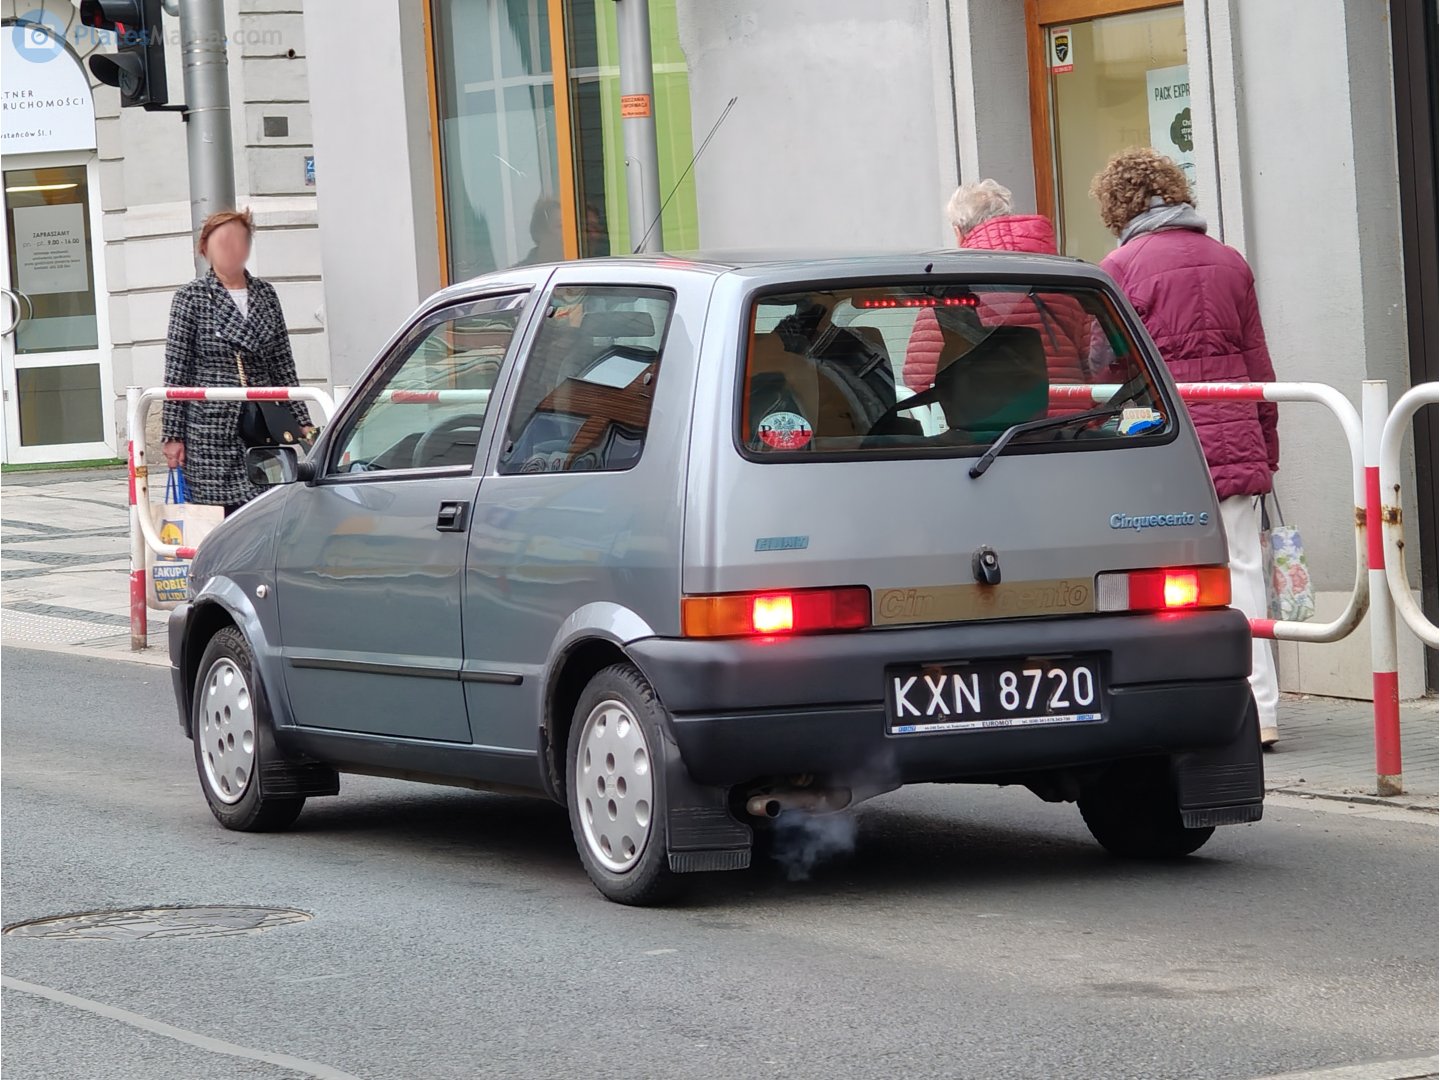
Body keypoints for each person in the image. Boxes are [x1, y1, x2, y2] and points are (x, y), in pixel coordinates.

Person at [1090, 147, 1281, 748]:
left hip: (1163, 444)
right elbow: (1258, 364)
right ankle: (1263, 709)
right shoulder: (1230, 261)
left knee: (1164, 575)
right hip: (1234, 429)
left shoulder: (1120, 267)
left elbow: (1103, 365)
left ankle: (1179, 703)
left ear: (1117, 204)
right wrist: (1267, 442)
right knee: (1244, 570)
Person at [161, 209, 313, 516]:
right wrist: (173, 435)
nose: (231, 248)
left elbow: (282, 362)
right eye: (222, 242)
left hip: (264, 423)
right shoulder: (191, 297)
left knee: (268, 508)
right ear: (205, 248)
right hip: (211, 428)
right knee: (218, 514)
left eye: (239, 240)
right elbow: (177, 369)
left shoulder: (265, 294)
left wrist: (301, 420)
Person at [902, 179, 1090, 398]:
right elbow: (1094, 363)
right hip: (1072, 416)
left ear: (958, 232)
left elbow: (919, 381)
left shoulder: (948, 299)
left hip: (991, 418)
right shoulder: (1066, 285)